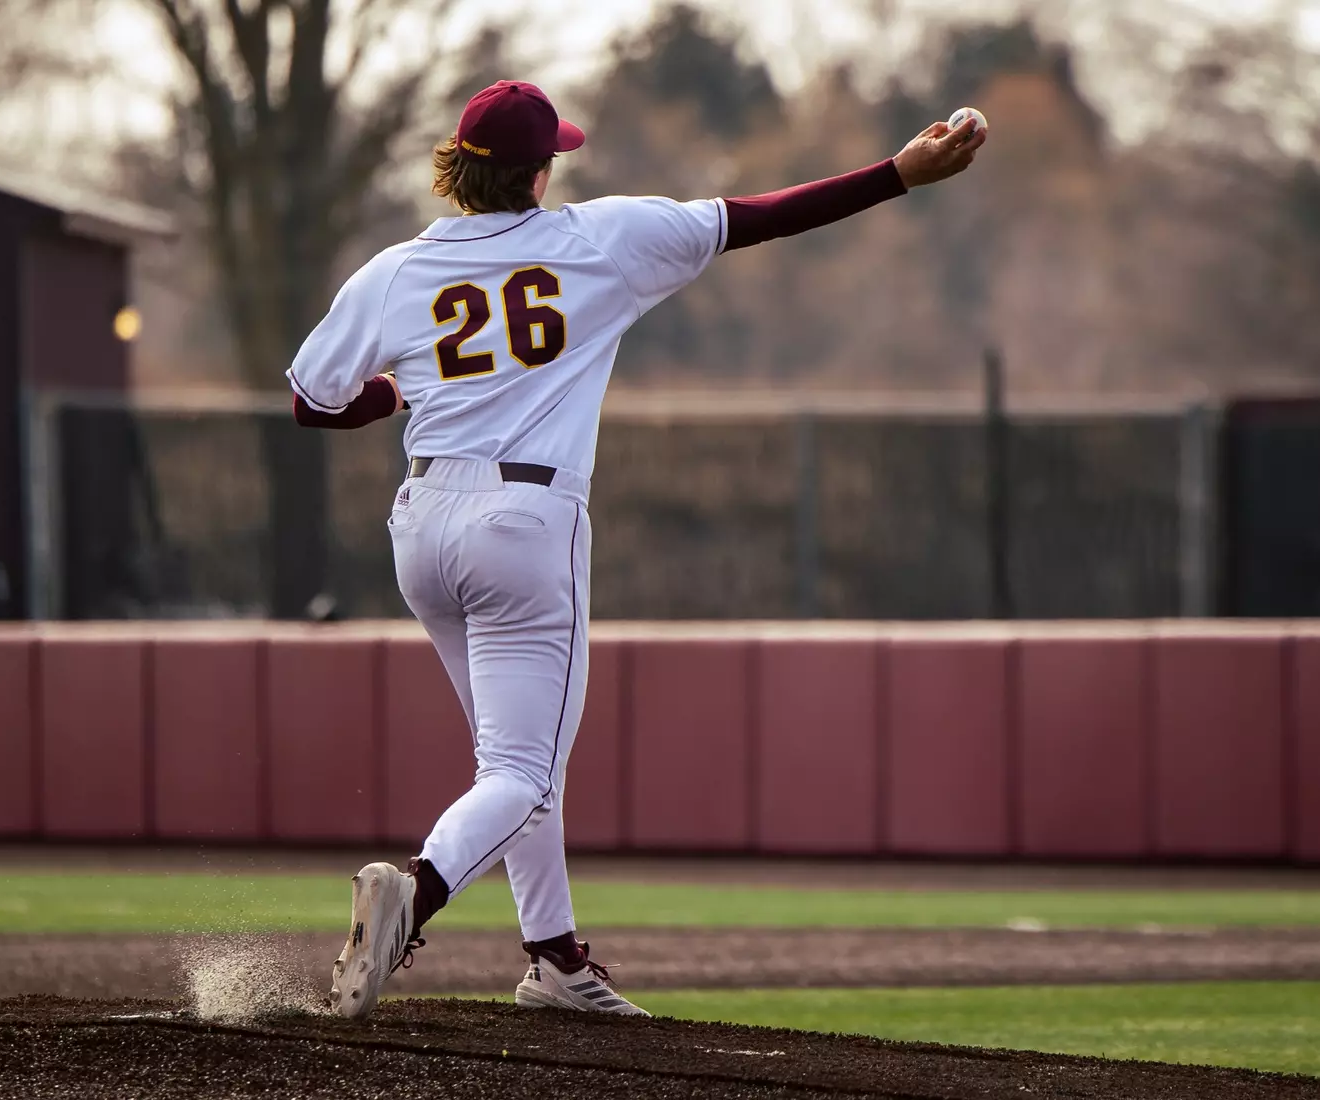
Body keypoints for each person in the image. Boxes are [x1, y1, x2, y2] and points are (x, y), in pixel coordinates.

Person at [287, 80, 985, 1020]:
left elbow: (313, 402)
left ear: (461, 167)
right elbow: (758, 217)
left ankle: (556, 959)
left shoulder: (395, 270)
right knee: (522, 771)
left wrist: (404, 396)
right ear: (539, 173)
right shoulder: (597, 239)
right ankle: (418, 890)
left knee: (516, 762)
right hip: (524, 523)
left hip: (423, 523)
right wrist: (898, 174)